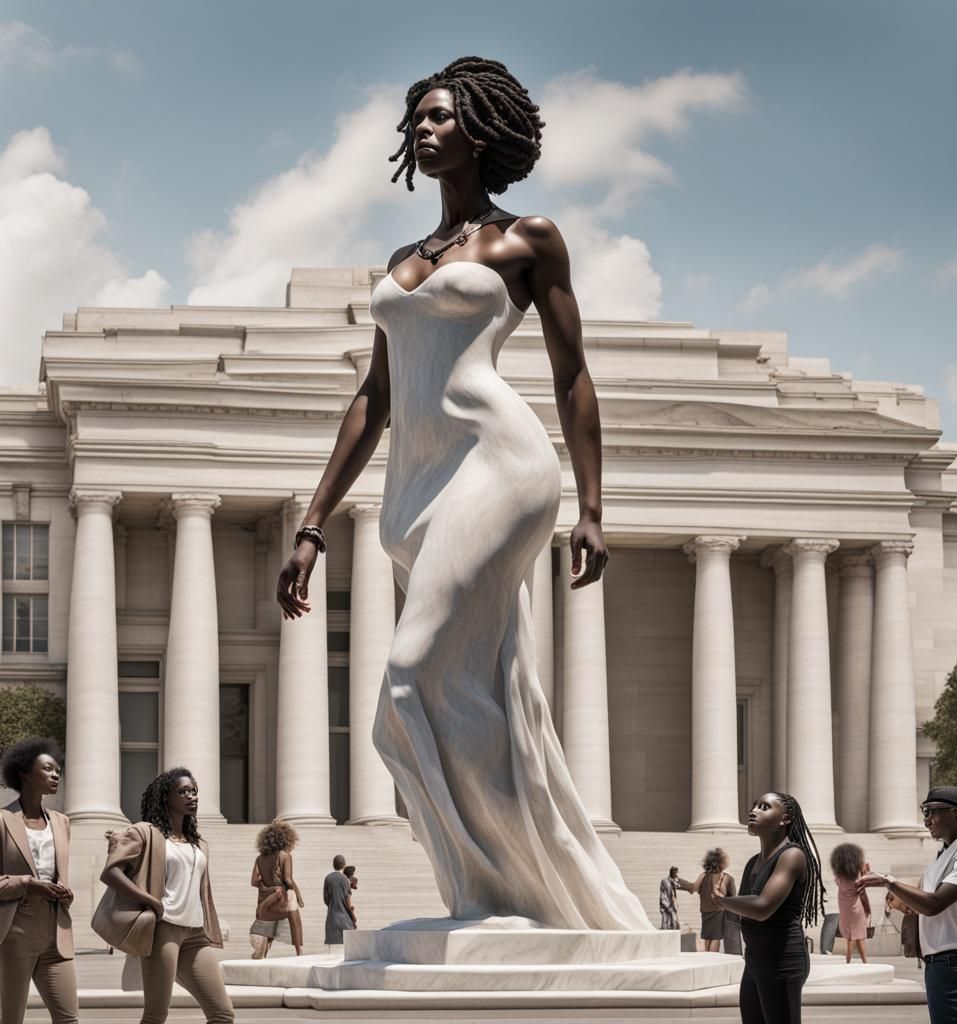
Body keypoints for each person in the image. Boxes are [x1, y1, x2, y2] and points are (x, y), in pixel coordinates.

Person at [276, 56, 649, 931]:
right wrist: (312, 524)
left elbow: (574, 376)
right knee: (477, 687)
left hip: (501, 464)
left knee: (408, 679)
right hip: (420, 483)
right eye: (419, 122)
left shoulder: (530, 238)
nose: (425, 132)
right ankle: (509, 892)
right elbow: (373, 397)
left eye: (441, 118)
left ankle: (497, 889)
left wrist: (594, 507)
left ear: (481, 131)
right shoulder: (407, 258)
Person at [99, 768, 232, 1024]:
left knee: (222, 1013)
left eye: (193, 791)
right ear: (165, 797)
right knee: (156, 1015)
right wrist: (149, 900)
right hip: (163, 929)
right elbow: (111, 872)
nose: (191, 796)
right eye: (183, 791)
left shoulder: (198, 843)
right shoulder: (146, 833)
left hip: (195, 933)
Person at [858, 786, 957, 1024]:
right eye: (925, 812)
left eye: (933, 812)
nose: (927, 820)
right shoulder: (946, 852)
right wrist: (901, 900)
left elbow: (935, 904)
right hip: (941, 961)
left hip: (952, 962)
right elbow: (926, 903)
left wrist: (888, 881)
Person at [713, 792, 826, 1024]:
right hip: (754, 959)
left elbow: (763, 907)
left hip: (783, 960)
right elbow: (746, 908)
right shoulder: (752, 862)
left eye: (765, 807)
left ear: (784, 819)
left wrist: (724, 901)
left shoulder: (793, 855)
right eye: (754, 805)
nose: (753, 810)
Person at [0, 737, 77, 1024]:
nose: (56, 774)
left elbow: (60, 872)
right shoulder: (2, 820)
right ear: (25, 774)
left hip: (57, 934)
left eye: (58, 770)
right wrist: (28, 884)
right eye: (48, 769)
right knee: (12, 1019)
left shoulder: (61, 822)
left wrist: (66, 892)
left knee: (69, 1018)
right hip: (14, 934)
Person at [251, 821, 304, 956]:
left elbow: (254, 881)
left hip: (265, 900)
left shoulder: (260, 858)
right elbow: (288, 880)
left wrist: (267, 887)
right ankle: (299, 951)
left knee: (272, 922)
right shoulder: (285, 856)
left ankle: (265, 949)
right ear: (286, 839)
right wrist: (298, 894)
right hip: (281, 898)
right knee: (294, 915)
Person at [830, 842, 872, 964]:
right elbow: (864, 883)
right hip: (857, 909)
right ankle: (865, 962)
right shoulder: (857, 877)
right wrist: (865, 871)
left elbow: (837, 881)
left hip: (845, 909)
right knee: (860, 937)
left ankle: (847, 962)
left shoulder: (839, 877)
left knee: (848, 938)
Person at [323, 854, 355, 949]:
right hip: (345, 919)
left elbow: (326, 899)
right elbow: (348, 900)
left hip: (332, 918)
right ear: (344, 865)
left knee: (331, 948)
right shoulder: (346, 880)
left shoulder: (328, 878)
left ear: (333, 865)